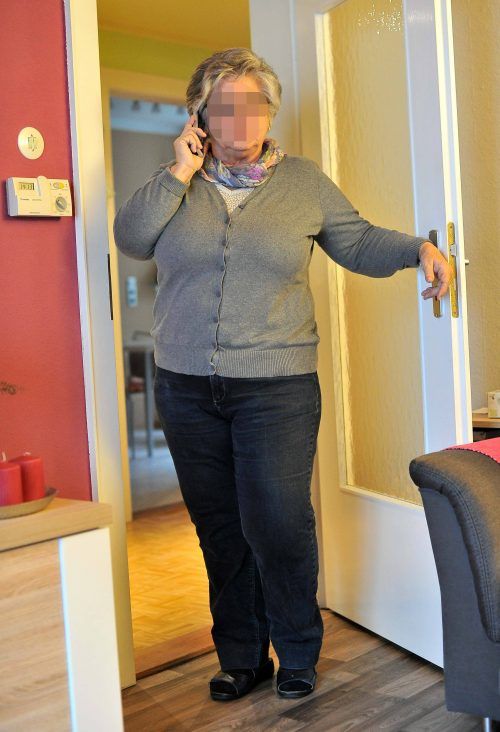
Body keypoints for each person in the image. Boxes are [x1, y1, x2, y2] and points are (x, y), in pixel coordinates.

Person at [113, 47, 451, 702]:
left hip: (277, 388)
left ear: (270, 113)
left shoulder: (303, 183)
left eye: (255, 104)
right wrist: (180, 170)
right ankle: (242, 657)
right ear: (199, 115)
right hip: (185, 386)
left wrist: (419, 250)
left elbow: (357, 240)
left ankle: (296, 650)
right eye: (224, 105)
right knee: (219, 528)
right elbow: (132, 238)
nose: (241, 118)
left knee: (277, 522)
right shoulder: (175, 183)